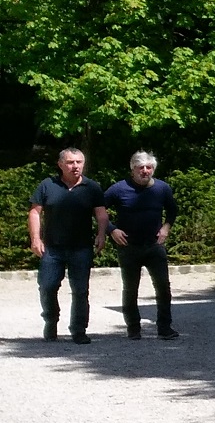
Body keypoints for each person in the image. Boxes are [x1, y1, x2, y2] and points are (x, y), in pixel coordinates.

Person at [29, 147, 108, 343]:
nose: (75, 166)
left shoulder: (92, 187)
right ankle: (51, 320)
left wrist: (101, 234)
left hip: (81, 248)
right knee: (47, 287)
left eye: (79, 162)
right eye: (71, 162)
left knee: (80, 290)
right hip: (53, 248)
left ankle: (79, 330)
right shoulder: (47, 185)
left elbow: (101, 214)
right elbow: (34, 213)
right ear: (61, 164)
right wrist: (36, 239)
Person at [103, 151, 179, 340]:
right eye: (141, 168)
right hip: (129, 247)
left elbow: (172, 210)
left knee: (163, 287)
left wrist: (166, 228)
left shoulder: (162, 188)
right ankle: (133, 328)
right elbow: (98, 209)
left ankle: (164, 328)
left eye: (149, 167)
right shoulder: (118, 189)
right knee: (130, 288)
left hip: (154, 246)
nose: (145, 171)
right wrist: (111, 230)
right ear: (133, 169)